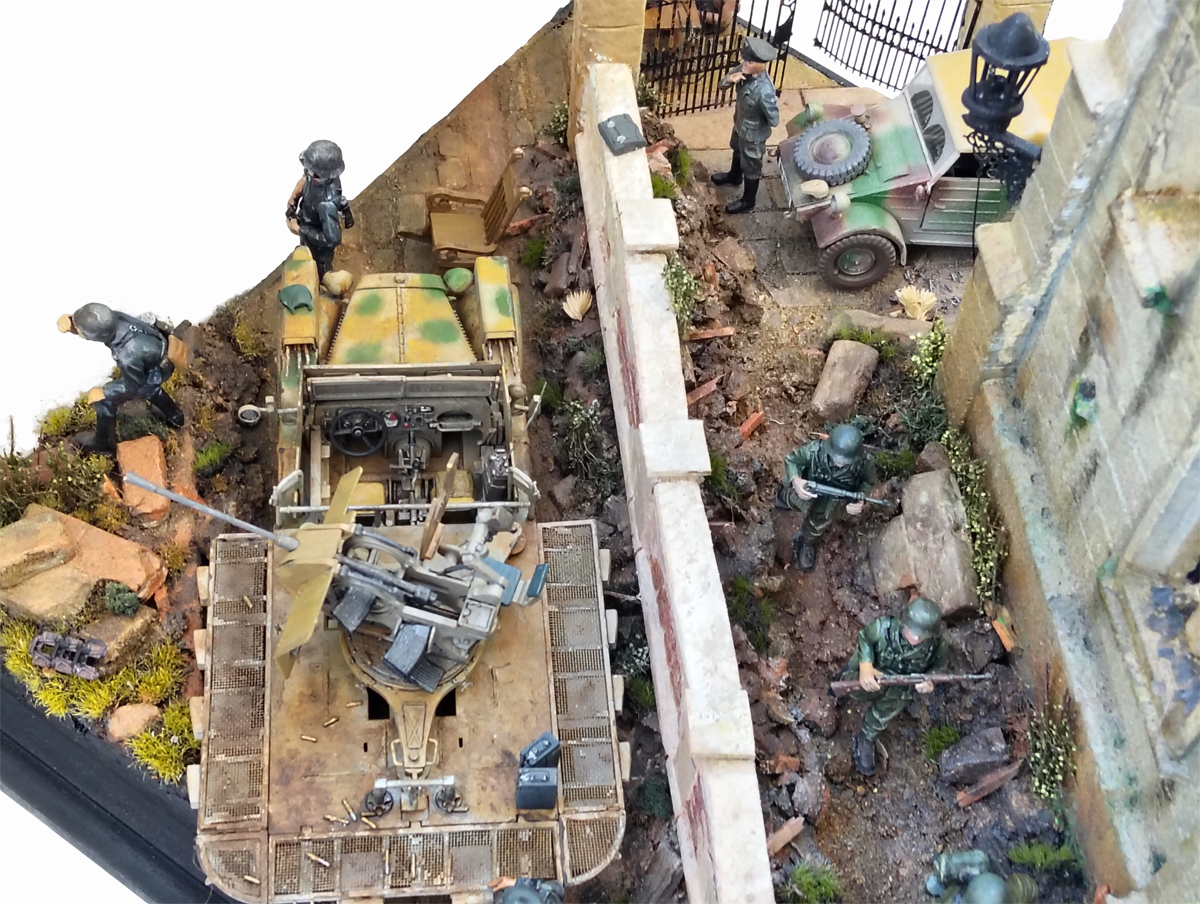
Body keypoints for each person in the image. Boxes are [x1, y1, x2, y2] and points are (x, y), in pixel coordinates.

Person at [57, 303, 186, 455]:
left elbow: (133, 383)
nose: (77, 331)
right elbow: (97, 324)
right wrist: (71, 322)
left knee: (104, 401)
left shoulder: (126, 354)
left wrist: (104, 392)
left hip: (155, 371)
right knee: (149, 388)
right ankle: (175, 416)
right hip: (159, 352)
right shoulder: (115, 318)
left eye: (79, 330)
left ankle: (104, 443)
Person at [840, 597, 948, 776]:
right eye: (912, 632)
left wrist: (930, 680)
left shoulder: (936, 645)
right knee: (853, 687)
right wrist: (865, 665)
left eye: (921, 635)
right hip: (874, 671)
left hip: (900, 686)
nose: (915, 638)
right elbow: (865, 638)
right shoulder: (884, 628)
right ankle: (842, 688)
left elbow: (939, 667)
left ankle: (866, 737)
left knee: (885, 712)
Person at [775, 423, 876, 572]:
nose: (840, 463)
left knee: (818, 524)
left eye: (845, 461)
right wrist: (796, 481)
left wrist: (860, 500)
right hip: (809, 489)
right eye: (837, 458)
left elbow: (868, 482)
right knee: (792, 499)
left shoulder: (864, 463)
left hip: (832, 502)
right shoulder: (814, 451)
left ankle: (807, 542)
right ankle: (782, 497)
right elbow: (791, 460)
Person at [711, 35, 780, 214]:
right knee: (736, 149)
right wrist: (730, 80)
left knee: (751, 165)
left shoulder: (765, 91)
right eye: (744, 59)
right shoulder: (743, 70)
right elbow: (722, 84)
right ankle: (734, 176)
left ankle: (748, 200)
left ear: (761, 65)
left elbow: (774, 119)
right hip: (739, 123)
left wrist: (756, 121)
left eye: (748, 61)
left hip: (754, 134)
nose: (743, 63)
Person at [286, 140, 353, 279]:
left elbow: (331, 239)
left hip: (320, 240)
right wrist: (294, 197)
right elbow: (305, 178)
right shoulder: (316, 174)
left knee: (321, 272)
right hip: (309, 219)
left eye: (311, 170)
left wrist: (300, 230)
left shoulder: (326, 204)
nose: (307, 170)